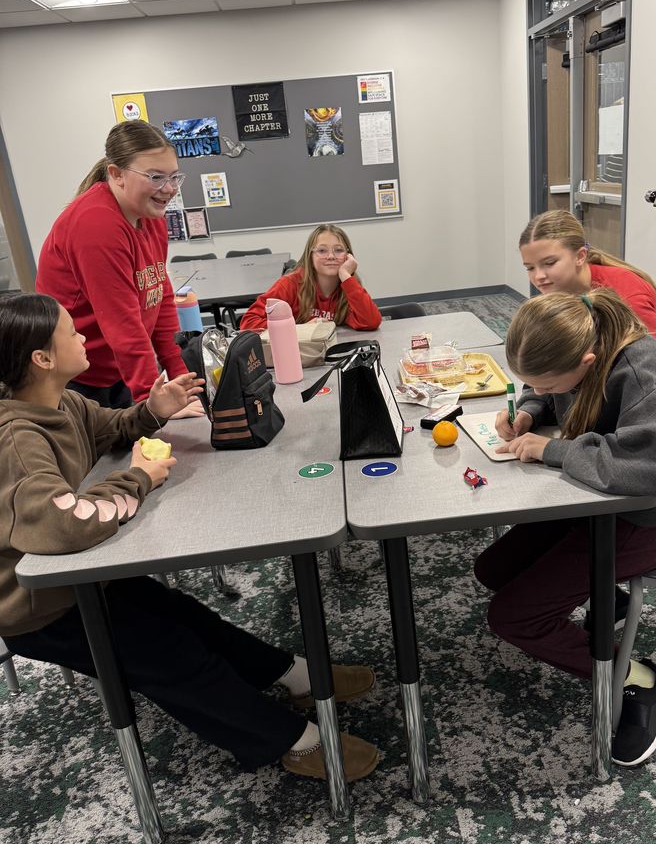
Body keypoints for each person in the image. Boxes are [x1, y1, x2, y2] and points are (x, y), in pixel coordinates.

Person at [0, 292, 379, 782]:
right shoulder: (16, 441)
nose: (82, 336)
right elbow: (64, 524)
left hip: (76, 584)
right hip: (40, 610)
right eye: (72, 331)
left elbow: (110, 427)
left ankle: (291, 674)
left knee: (188, 617)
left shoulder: (63, 402)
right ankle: (293, 742)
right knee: (172, 659)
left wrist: (152, 410)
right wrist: (137, 477)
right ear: (42, 358)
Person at [478, 289, 656, 766]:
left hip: (638, 524)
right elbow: (545, 389)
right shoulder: (580, 339)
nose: (545, 391)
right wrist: (530, 410)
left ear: (587, 360)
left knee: (512, 617)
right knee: (494, 569)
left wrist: (549, 449)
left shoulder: (640, 373)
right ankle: (602, 597)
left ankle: (640, 678)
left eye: (551, 386)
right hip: (589, 506)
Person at [36, 120, 190, 407]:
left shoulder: (149, 215)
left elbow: (160, 295)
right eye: (156, 177)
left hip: (121, 368)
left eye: (174, 177)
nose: (169, 189)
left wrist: (183, 378)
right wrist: (149, 403)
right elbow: (122, 322)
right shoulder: (96, 224)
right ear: (117, 174)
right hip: (80, 380)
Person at [518, 209, 656, 393]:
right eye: (530, 268)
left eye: (549, 263)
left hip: (649, 377)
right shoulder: (558, 288)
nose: (539, 276)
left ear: (580, 256)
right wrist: (530, 407)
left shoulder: (627, 298)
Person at [240, 223, 381, 332]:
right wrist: (301, 330)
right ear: (310, 256)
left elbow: (371, 322)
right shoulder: (290, 284)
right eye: (322, 250)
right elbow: (248, 323)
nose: (331, 256)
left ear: (348, 256)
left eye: (338, 250)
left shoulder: (349, 285)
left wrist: (345, 275)